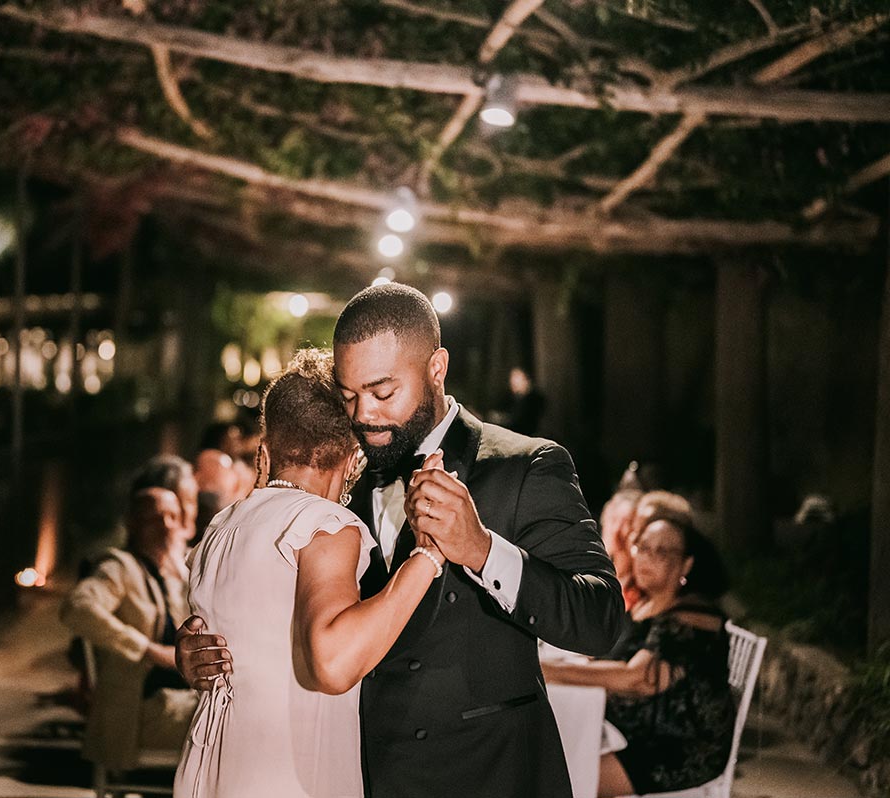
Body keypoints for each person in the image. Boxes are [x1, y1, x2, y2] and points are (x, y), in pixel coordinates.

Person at [178, 283, 624, 797]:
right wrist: (201, 651)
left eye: (383, 392)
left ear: (437, 368)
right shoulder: (341, 488)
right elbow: (316, 618)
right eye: (349, 397)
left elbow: (601, 620)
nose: (363, 416)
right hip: (364, 777)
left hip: (491, 775)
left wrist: (482, 549)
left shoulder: (526, 466)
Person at [174, 348, 444, 798]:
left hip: (211, 771)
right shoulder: (324, 526)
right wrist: (428, 557)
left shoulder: (222, 526)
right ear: (354, 456)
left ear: (265, 448)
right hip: (287, 779)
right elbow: (334, 664)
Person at [542, 515, 735, 796]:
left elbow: (640, 678)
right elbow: (605, 658)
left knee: (555, 779)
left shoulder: (695, 616)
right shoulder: (645, 605)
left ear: (686, 565)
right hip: (630, 731)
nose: (648, 557)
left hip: (678, 746)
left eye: (662, 551)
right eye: (643, 547)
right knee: (545, 751)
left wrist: (551, 671)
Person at [60, 485, 198, 774]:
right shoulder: (120, 567)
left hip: (183, 698)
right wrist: (147, 649)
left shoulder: (173, 571)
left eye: (173, 517)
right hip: (142, 710)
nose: (166, 526)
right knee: (240, 723)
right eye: (155, 518)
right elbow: (78, 607)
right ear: (132, 524)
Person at [600, 489, 642, 610]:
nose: (617, 530)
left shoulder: (644, 585)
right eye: (613, 520)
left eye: (626, 522)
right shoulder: (593, 574)